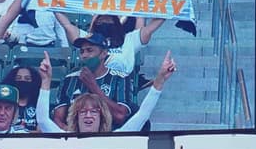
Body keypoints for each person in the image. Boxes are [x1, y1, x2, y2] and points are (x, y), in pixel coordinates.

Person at [35, 51, 177, 134]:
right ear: (74, 117)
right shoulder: (63, 137)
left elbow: (143, 115)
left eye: (94, 111)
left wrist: (160, 80)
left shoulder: (116, 137)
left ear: (102, 116)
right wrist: (45, 80)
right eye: (82, 112)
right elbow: (42, 120)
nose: (88, 115)